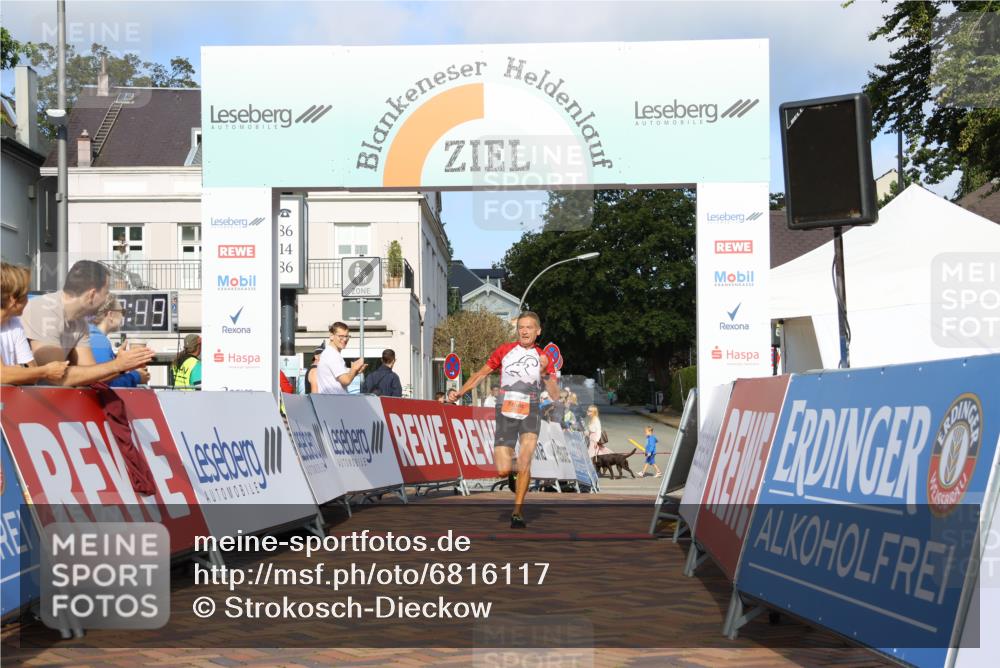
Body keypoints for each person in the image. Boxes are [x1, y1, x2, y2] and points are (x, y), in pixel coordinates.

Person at [457, 311, 560, 529]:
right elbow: (481, 374)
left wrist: (542, 372)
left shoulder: (543, 357)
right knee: (503, 469)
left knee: (525, 460)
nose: (524, 331)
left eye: (529, 327)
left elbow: (555, 394)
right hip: (505, 410)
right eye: (521, 327)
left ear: (538, 331)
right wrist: (459, 392)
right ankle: (512, 471)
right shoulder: (505, 350)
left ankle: (517, 512)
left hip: (531, 410)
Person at [21, 260, 154, 386]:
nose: (107, 298)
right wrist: (117, 365)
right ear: (92, 295)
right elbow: (57, 377)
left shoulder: (79, 321)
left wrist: (122, 367)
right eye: (106, 293)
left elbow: (89, 375)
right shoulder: (44, 311)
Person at [1, 262, 68, 385]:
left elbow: (31, 375)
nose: (28, 300)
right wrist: (45, 371)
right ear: (12, 300)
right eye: (26, 295)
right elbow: (2, 376)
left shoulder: (14, 323)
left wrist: (18, 371)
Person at [88, 294, 149, 387]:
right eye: (122, 312)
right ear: (111, 315)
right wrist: (137, 376)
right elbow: (105, 385)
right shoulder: (98, 341)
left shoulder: (91, 336)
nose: (123, 317)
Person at [317, 322, 366, 394]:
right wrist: (354, 368)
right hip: (336, 402)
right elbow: (346, 381)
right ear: (331, 336)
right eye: (341, 336)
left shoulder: (328, 353)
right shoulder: (333, 355)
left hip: (330, 401)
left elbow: (342, 379)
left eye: (347, 336)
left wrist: (355, 372)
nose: (345, 339)